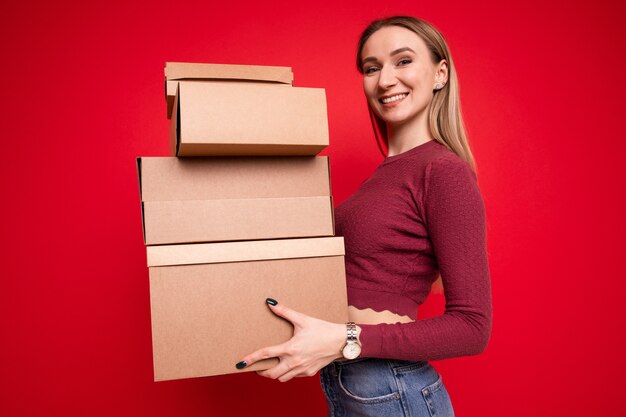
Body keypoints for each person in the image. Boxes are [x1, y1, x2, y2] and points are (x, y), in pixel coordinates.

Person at [236, 15, 492, 417]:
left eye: (403, 61)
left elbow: (472, 328)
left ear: (440, 73)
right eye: (372, 68)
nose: (385, 80)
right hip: (355, 382)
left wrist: (343, 339)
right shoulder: (385, 176)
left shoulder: (443, 171)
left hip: (392, 385)